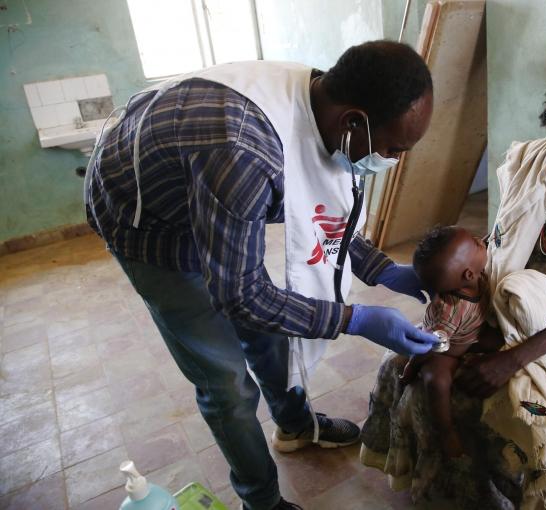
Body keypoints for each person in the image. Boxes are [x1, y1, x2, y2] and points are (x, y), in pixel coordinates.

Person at [85, 40, 439, 510]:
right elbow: (242, 296)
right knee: (226, 382)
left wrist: (383, 270)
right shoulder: (242, 148)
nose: (396, 159)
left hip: (204, 179)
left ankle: (293, 424)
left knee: (273, 334)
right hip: (150, 222)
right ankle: (262, 500)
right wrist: (356, 319)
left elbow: (323, 204)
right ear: (354, 121)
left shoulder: (323, 103)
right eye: (395, 148)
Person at [360, 44, 546, 509]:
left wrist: (510, 359)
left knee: (478, 405)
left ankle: (479, 499)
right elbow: (502, 239)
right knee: (406, 364)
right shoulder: (534, 161)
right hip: (494, 298)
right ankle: (429, 480)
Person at [398, 226, 499, 459]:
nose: (480, 239)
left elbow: (490, 240)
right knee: (436, 380)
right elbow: (430, 345)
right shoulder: (449, 312)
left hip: (472, 334)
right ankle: (445, 431)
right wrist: (412, 365)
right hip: (447, 349)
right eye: (476, 243)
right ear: (468, 275)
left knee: (502, 341)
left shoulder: (476, 274)